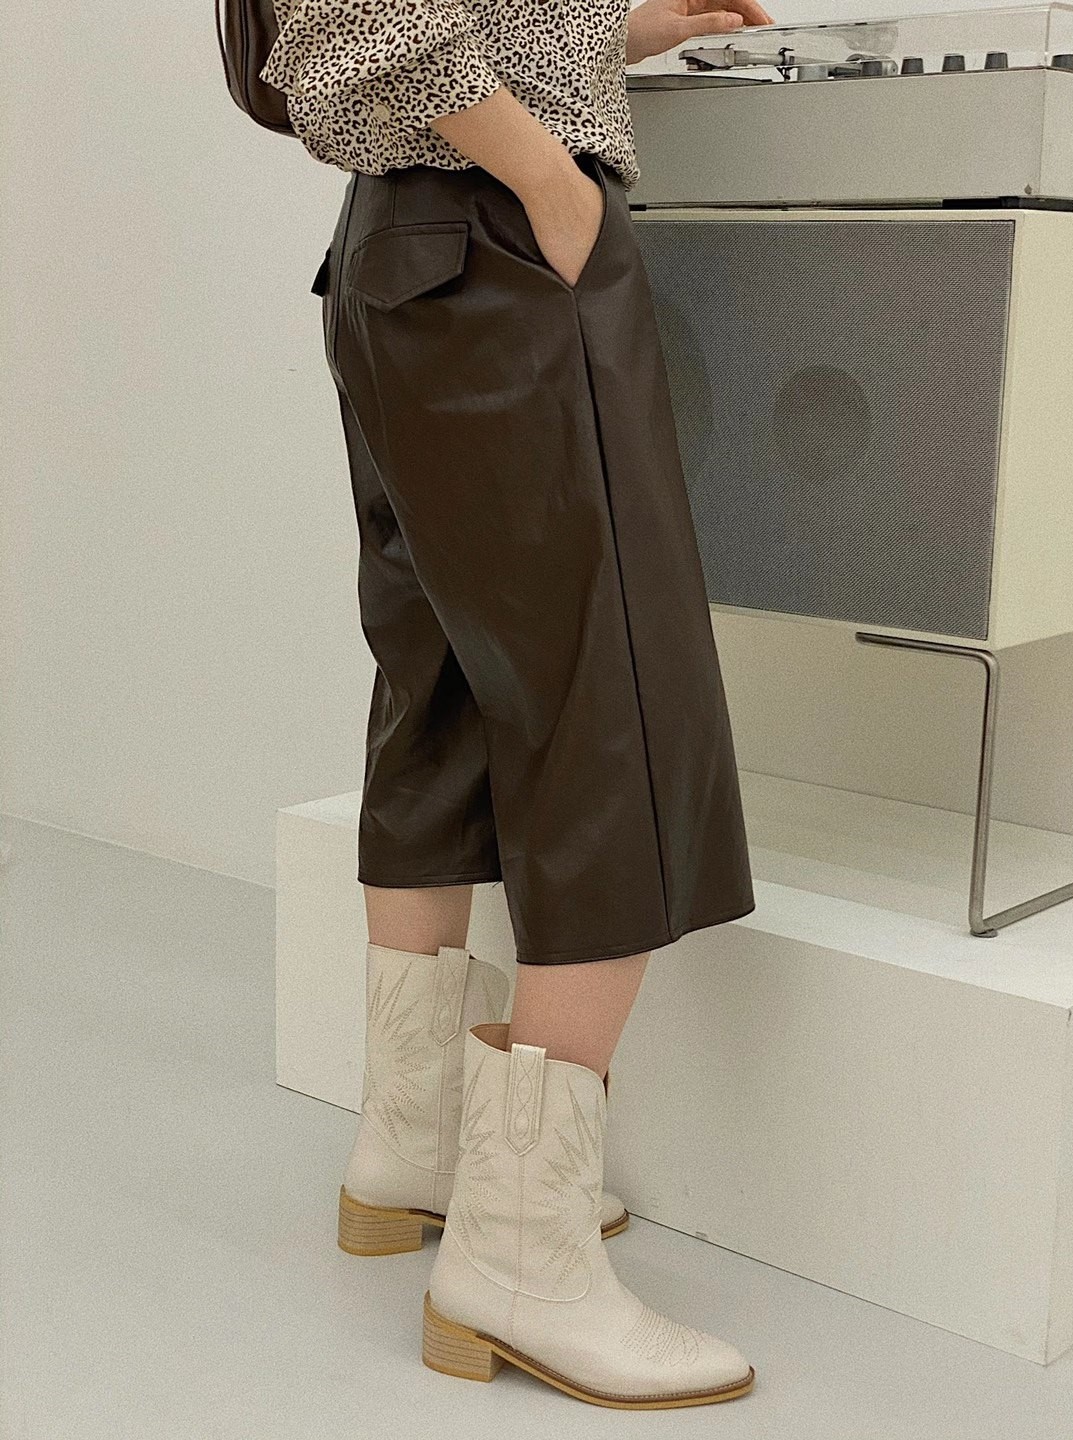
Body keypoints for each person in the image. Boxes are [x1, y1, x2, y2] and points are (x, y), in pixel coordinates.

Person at [261, 0, 772, 1409]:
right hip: (495, 240)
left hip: (403, 248)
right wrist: (548, 177)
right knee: (614, 706)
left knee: (441, 690)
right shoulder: (522, 189)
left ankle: (416, 1145)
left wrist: (606, 27)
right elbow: (366, 16)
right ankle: (522, 1261)